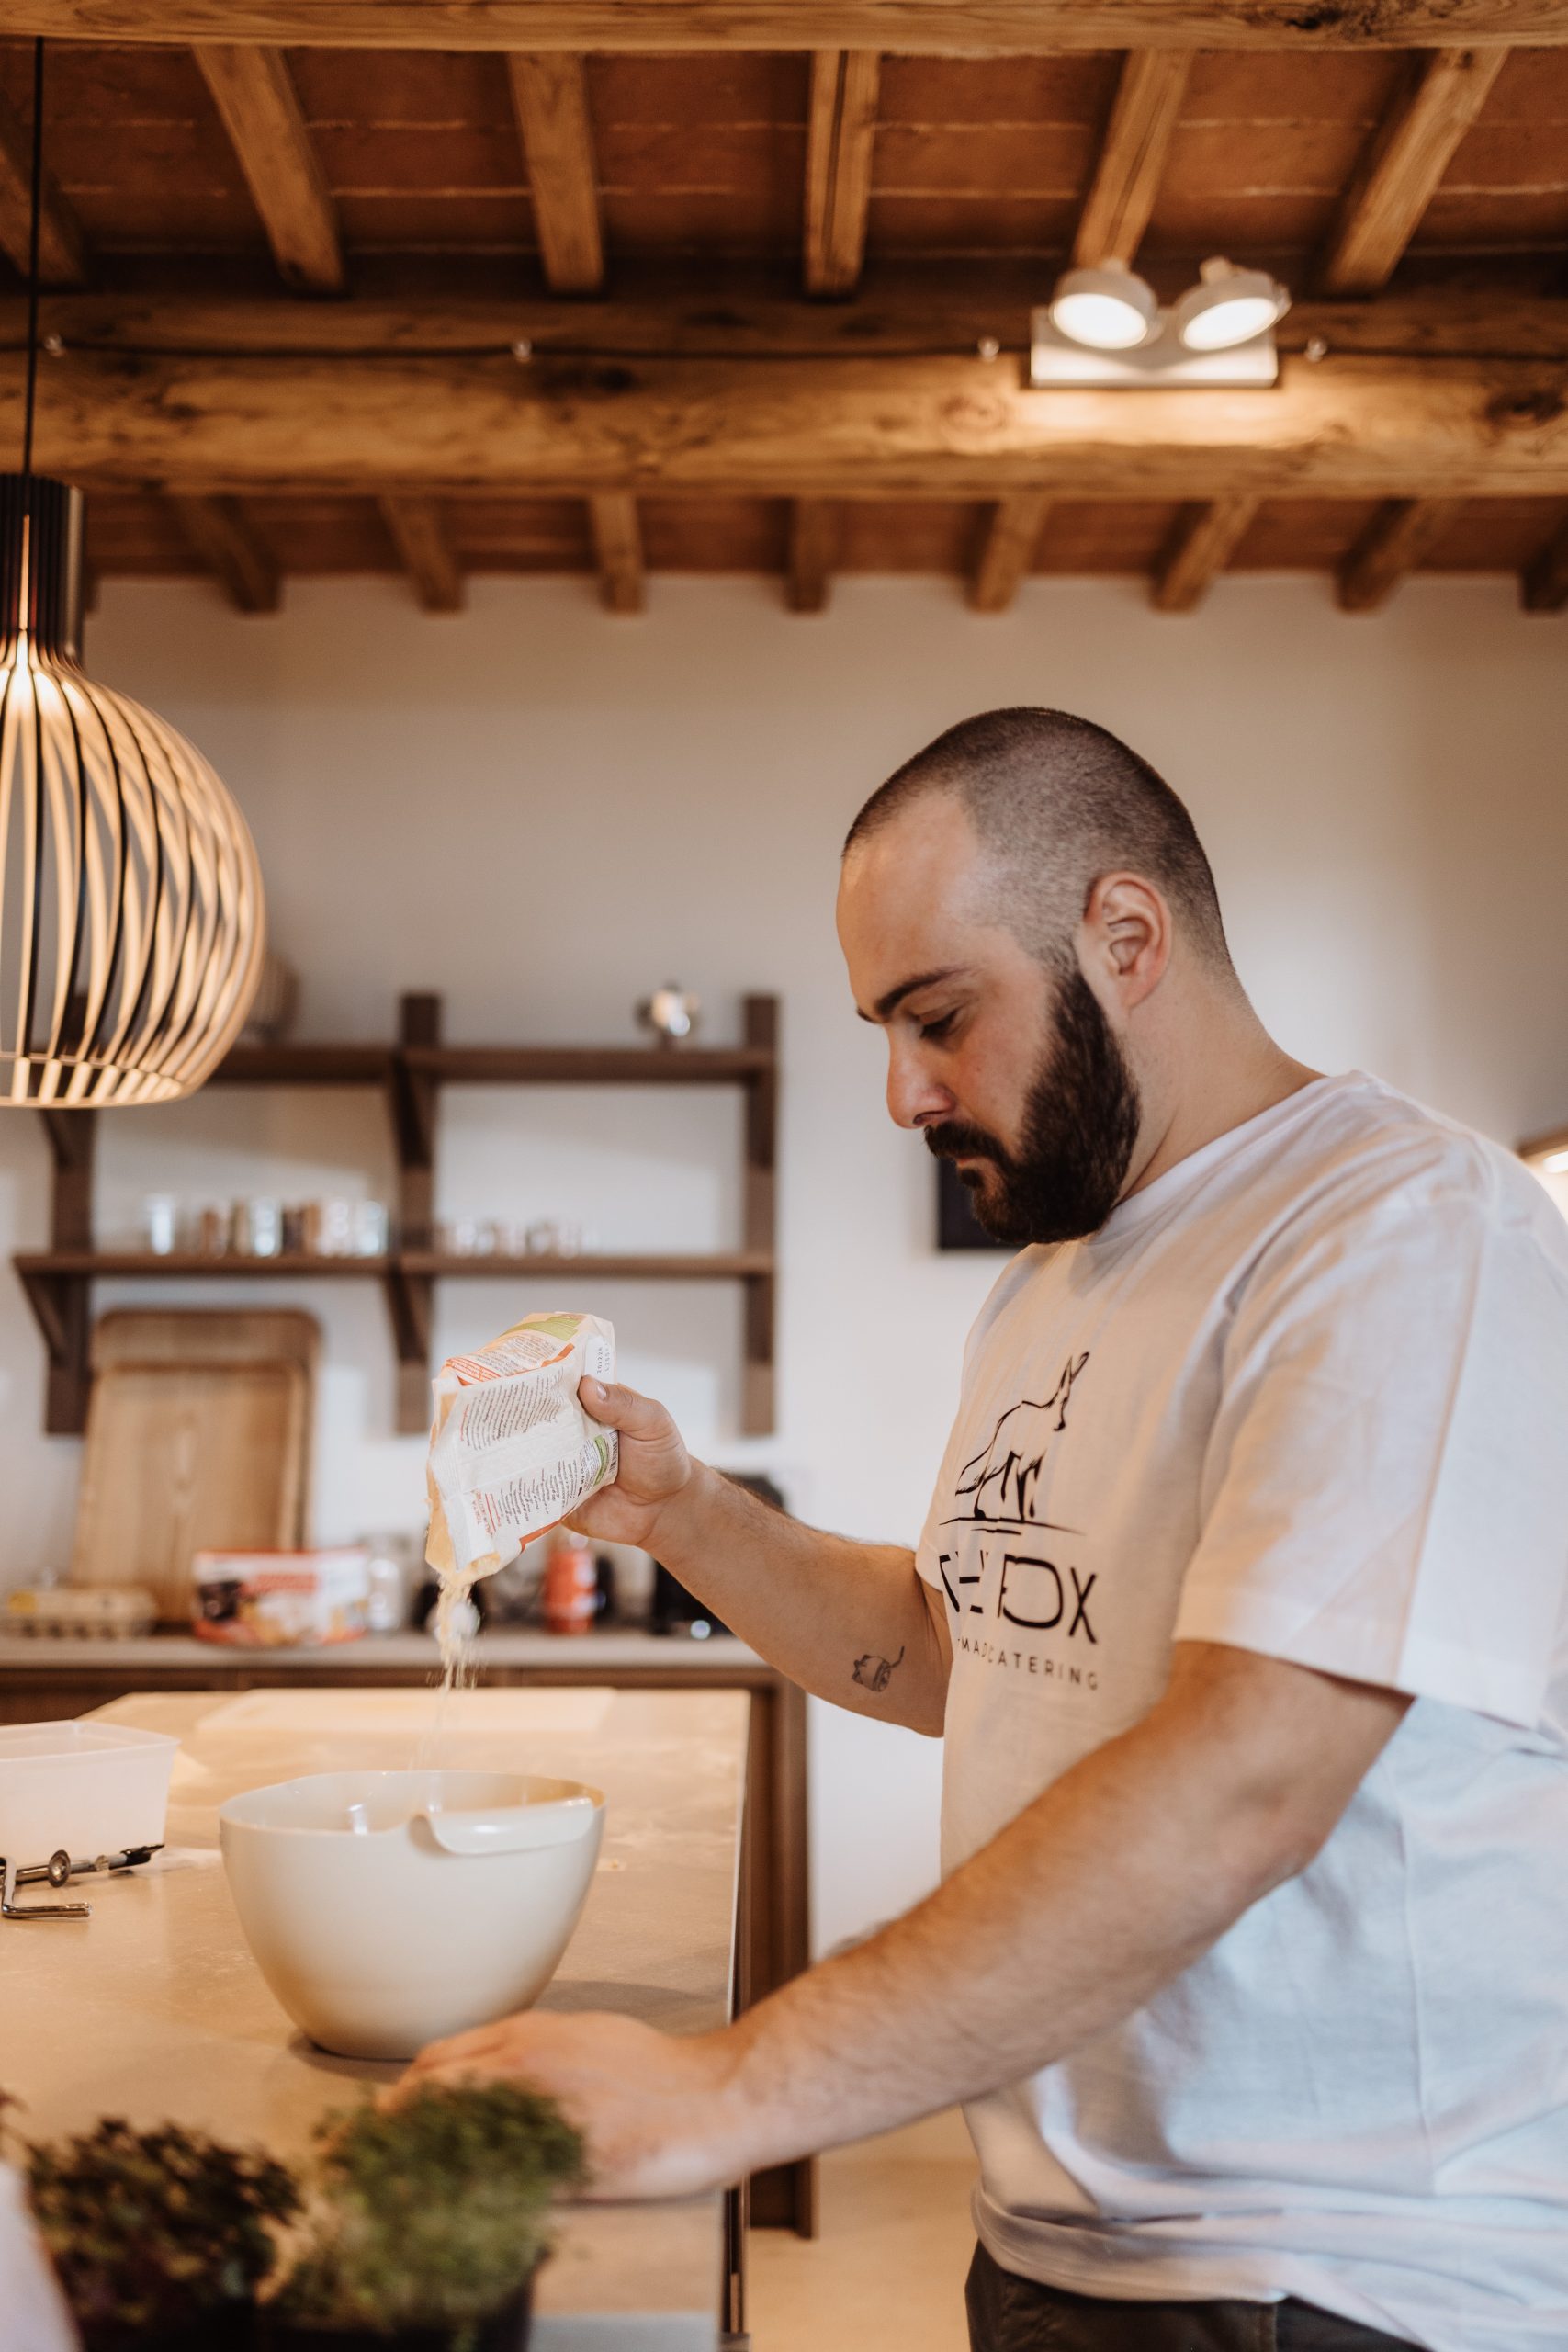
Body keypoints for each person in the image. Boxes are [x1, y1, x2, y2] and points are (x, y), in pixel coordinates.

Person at [409, 708, 1568, 2352]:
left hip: (1335, 2282)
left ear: (1126, 936)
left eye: (939, 1016)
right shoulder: (1048, 1284)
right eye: (886, 1029)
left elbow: (1249, 1777)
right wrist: (684, 1512)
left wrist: (729, 2090)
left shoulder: (1404, 1231)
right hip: (1061, 2250)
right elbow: (975, 1651)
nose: (901, 1092)